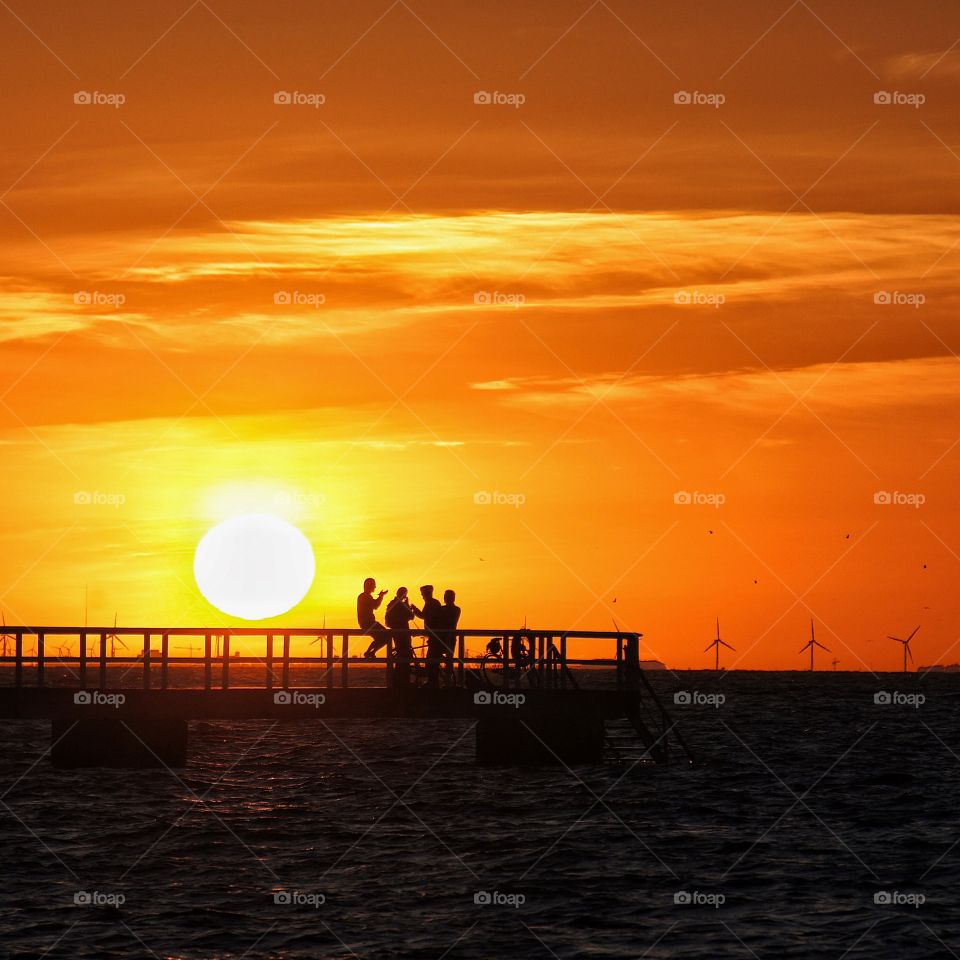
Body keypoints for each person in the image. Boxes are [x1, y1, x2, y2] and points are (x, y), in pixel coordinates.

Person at [385, 587, 419, 685]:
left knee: (401, 654)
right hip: (404, 633)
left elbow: (388, 620)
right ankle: (404, 680)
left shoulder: (391, 604)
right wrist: (407, 604)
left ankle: (398, 679)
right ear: (404, 595)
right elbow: (411, 616)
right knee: (406, 654)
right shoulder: (403, 605)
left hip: (396, 633)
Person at [418, 584, 444, 687]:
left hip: (434, 636)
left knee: (431, 660)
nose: (422, 596)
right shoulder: (433, 603)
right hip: (434, 635)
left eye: (423, 594)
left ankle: (432, 682)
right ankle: (433, 681)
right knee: (432, 659)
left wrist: (414, 610)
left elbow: (423, 616)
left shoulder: (431, 603)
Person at [358, 578, 390, 659]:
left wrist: (380, 596)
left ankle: (369, 652)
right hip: (369, 623)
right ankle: (370, 652)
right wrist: (381, 596)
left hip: (366, 623)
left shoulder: (363, 596)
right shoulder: (366, 596)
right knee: (387, 636)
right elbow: (375, 606)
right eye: (374, 585)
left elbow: (374, 605)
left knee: (380, 638)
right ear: (369, 586)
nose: (375, 587)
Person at [436, 589, 461, 680]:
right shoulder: (455, 609)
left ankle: (448, 679)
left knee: (447, 659)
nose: (445, 599)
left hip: (448, 637)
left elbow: (448, 620)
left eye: (447, 597)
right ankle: (446, 679)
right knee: (447, 659)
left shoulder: (455, 609)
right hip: (447, 637)